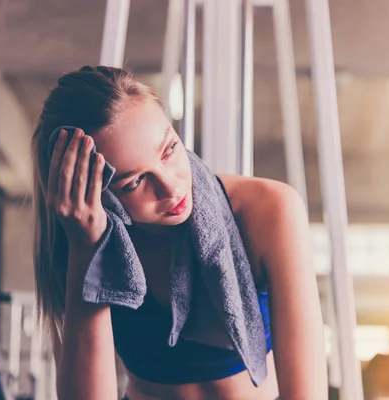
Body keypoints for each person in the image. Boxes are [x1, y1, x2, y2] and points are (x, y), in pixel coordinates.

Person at [31, 66, 327, 400]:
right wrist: (88, 251)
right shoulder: (74, 239)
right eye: (134, 182)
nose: (170, 187)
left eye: (170, 149)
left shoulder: (270, 210)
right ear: (94, 192)